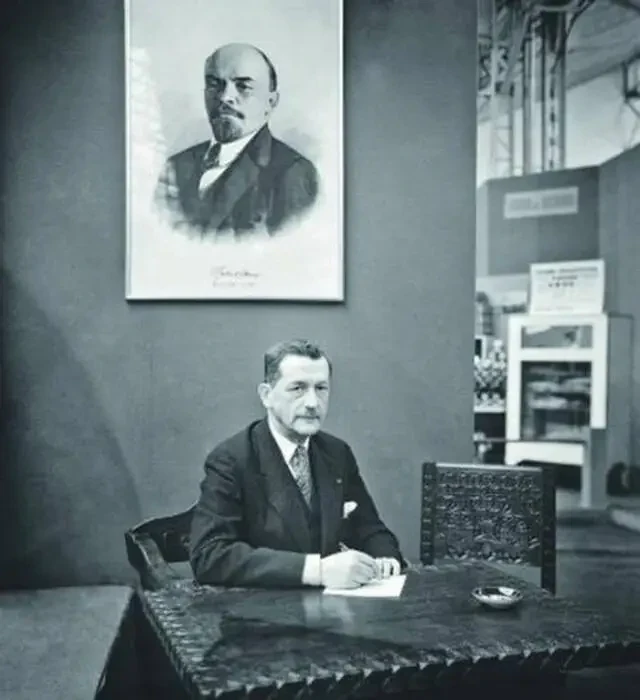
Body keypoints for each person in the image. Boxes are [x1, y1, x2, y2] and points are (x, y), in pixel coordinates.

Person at [189, 339, 405, 589]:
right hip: (259, 607)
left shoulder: (336, 452)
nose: (313, 403)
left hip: (331, 606)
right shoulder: (232, 459)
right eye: (298, 388)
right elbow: (210, 556)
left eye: (321, 388)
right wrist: (318, 571)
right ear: (267, 396)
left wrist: (384, 557)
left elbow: (369, 527)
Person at [154, 43, 319, 241]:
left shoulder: (294, 173)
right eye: (214, 84)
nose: (225, 97)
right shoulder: (175, 167)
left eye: (243, 86)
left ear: (271, 102)